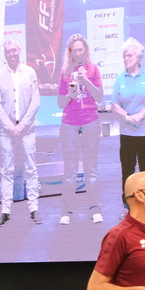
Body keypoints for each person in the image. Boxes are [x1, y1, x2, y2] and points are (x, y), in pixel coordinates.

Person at [0, 38, 42, 225]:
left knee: (31, 168)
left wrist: (22, 125)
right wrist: (11, 127)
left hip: (27, 130)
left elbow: (35, 102)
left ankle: (34, 209)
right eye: (8, 52)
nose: (11, 54)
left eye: (14, 50)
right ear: (5, 54)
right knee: (7, 170)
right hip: (7, 132)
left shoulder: (30, 72)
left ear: (19, 50)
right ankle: (5, 211)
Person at [57, 33, 104, 225]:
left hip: (90, 122)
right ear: (70, 53)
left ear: (85, 50)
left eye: (80, 49)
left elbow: (99, 97)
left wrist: (86, 81)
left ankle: (95, 209)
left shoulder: (93, 69)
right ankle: (67, 211)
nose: (77, 53)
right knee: (70, 170)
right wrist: (70, 94)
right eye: (74, 51)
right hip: (69, 124)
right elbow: (60, 103)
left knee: (91, 169)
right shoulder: (65, 72)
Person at [112, 37, 145, 191]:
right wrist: (127, 117)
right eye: (124, 56)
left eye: (129, 55)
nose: (126, 59)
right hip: (127, 132)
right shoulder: (120, 78)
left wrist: (140, 115)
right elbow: (114, 104)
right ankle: (128, 202)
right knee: (127, 170)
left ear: (138, 57)